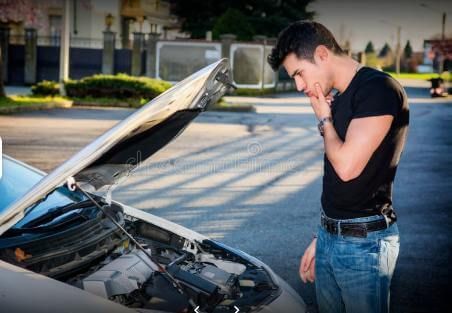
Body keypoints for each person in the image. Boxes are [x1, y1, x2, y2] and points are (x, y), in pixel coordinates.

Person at [267, 21, 409, 313]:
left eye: (299, 74)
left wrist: (324, 120)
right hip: (332, 238)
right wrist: (323, 236)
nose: (299, 86)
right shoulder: (339, 99)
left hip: (364, 247)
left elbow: (346, 167)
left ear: (321, 54)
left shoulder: (378, 89)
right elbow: (340, 185)